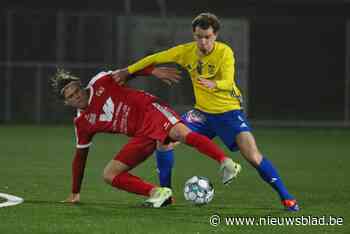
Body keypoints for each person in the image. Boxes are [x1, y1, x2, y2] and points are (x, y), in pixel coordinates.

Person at [112, 13, 299, 211]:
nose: (203, 41)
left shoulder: (225, 52)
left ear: (215, 35)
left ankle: (287, 198)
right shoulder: (186, 52)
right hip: (202, 114)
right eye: (199, 36)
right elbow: (154, 58)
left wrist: (214, 84)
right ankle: (165, 194)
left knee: (252, 155)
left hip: (229, 112)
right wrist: (128, 71)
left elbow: (228, 82)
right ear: (194, 35)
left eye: (207, 37)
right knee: (164, 138)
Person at [51, 66, 241, 208]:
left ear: (80, 85)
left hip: (149, 110)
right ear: (66, 102)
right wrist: (75, 193)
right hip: (141, 134)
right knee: (110, 174)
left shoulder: (101, 81)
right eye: (70, 96)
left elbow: (129, 72)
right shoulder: (82, 123)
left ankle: (226, 162)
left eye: (76, 90)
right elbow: (80, 158)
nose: (76, 96)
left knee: (180, 134)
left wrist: (153, 71)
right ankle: (158, 192)